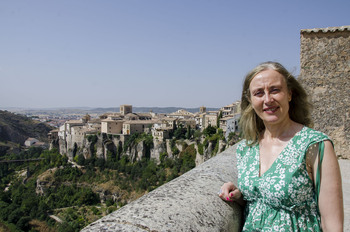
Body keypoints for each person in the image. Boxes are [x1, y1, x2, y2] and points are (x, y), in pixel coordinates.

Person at [219, 61, 343, 231]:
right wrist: (239, 195)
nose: (268, 99)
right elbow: (260, 202)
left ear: (290, 94)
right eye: (259, 93)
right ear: (250, 100)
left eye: (275, 90)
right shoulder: (247, 148)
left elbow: (332, 224)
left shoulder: (315, 145)